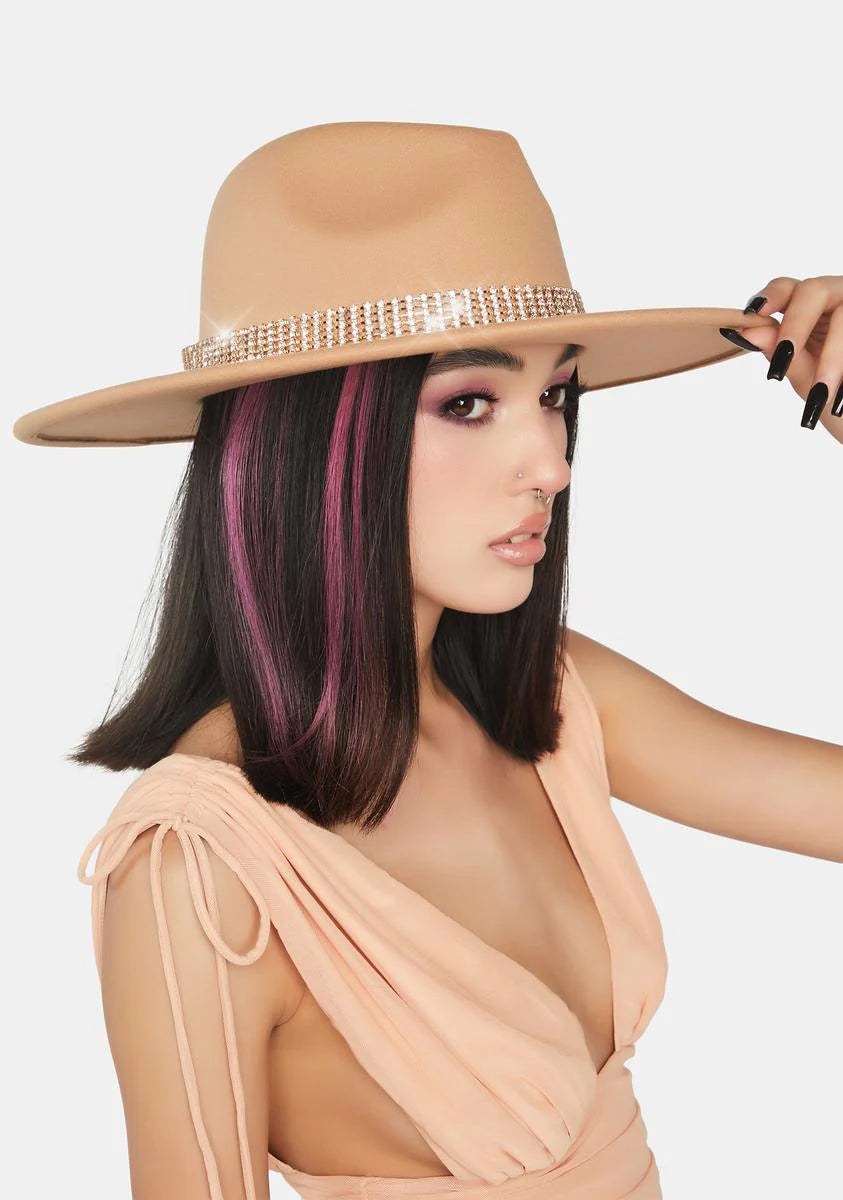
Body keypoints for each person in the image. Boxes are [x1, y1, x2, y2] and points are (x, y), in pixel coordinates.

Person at [12, 121, 843, 1200]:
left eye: (555, 395)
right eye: (468, 403)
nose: (550, 463)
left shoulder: (550, 700)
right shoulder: (200, 868)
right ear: (308, 440)